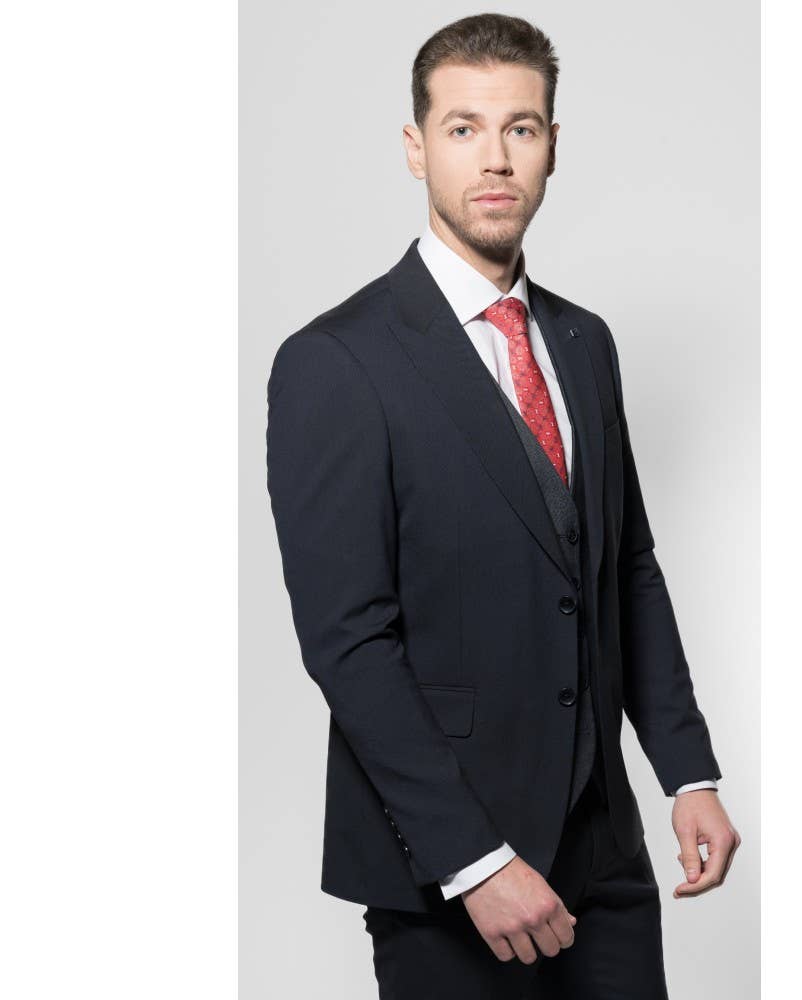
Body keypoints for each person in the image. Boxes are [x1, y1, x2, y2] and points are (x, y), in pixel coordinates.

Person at [265, 12, 740, 999]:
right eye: (463, 128)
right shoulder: (334, 361)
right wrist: (475, 861)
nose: (495, 158)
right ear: (416, 147)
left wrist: (686, 773)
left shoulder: (583, 341)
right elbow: (348, 641)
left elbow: (626, 566)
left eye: (520, 128)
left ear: (552, 146)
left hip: (602, 851)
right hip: (446, 869)